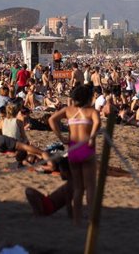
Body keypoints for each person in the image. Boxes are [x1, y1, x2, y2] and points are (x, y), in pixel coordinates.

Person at [48, 84, 101, 225]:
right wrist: (92, 137)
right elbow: (97, 123)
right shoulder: (91, 112)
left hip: (73, 150)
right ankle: (91, 219)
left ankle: (77, 220)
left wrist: (61, 137)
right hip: (86, 148)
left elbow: (51, 120)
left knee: (78, 188)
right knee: (90, 187)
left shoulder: (68, 110)